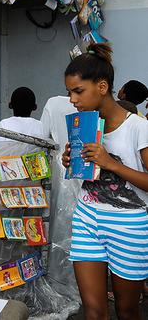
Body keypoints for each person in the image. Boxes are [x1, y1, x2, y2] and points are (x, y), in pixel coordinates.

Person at [61, 43, 148, 320]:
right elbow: (88, 175)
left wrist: (110, 162)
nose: (73, 99)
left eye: (78, 91)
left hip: (129, 224)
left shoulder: (138, 127)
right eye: (69, 93)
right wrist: (73, 160)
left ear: (102, 87)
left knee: (126, 310)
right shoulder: (85, 126)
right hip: (87, 217)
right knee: (94, 311)